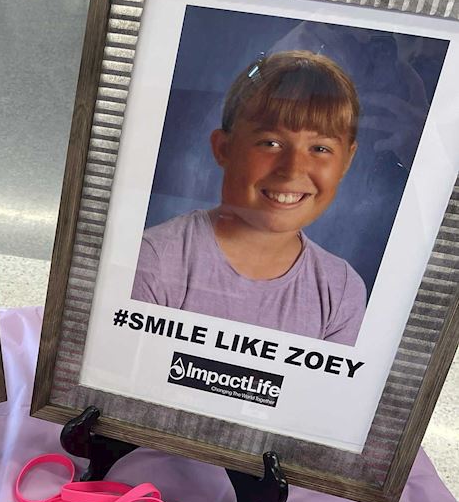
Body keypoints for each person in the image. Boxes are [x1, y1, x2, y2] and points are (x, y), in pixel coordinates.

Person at [132, 51, 366, 345]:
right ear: (223, 149)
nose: (293, 169)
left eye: (320, 149)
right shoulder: (155, 261)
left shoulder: (341, 290)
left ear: (346, 161)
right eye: (270, 143)